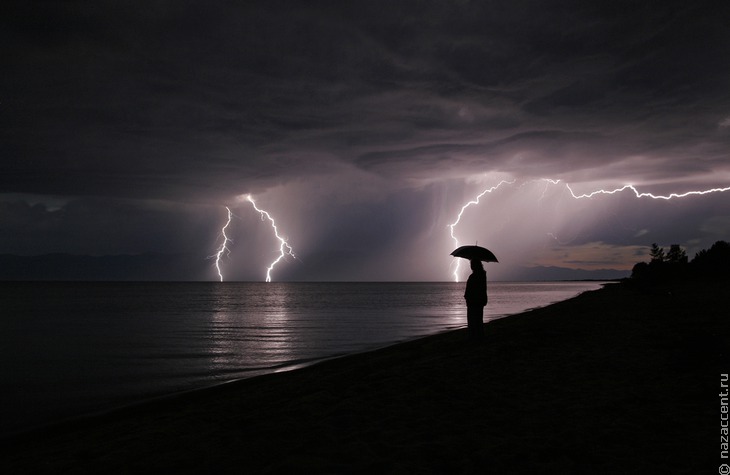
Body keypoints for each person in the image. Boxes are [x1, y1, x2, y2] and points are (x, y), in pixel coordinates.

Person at [464, 259, 488, 341]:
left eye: (472, 264)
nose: (470, 266)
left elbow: (470, 289)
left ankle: (474, 337)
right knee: (478, 319)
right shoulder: (482, 275)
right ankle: (479, 336)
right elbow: (484, 288)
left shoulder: (474, 276)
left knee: (472, 320)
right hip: (479, 300)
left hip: (473, 301)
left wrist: (467, 297)